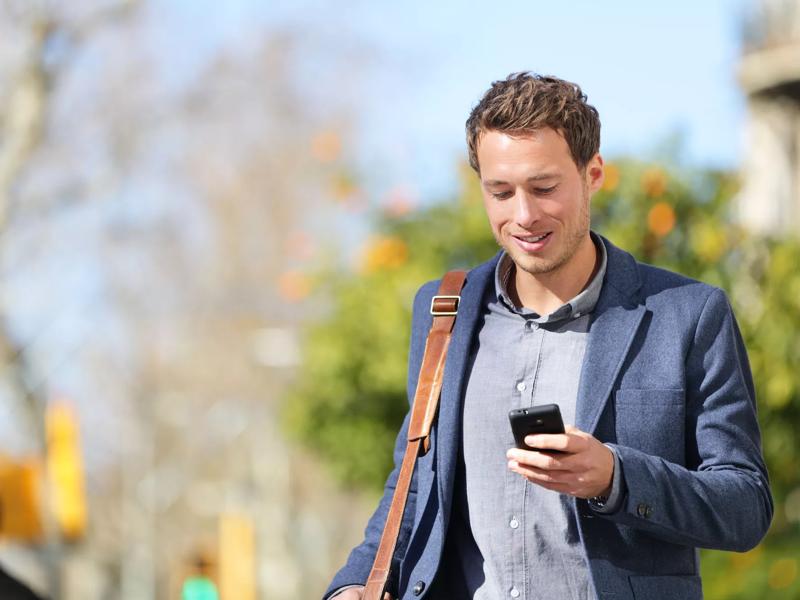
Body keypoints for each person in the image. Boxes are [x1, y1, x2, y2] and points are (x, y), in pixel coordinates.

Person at [324, 73, 773, 600]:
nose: (524, 215)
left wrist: (616, 477)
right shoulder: (442, 310)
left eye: (544, 188)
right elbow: (416, 485)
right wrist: (355, 584)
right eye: (501, 192)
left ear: (593, 174)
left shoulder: (689, 314)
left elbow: (746, 507)